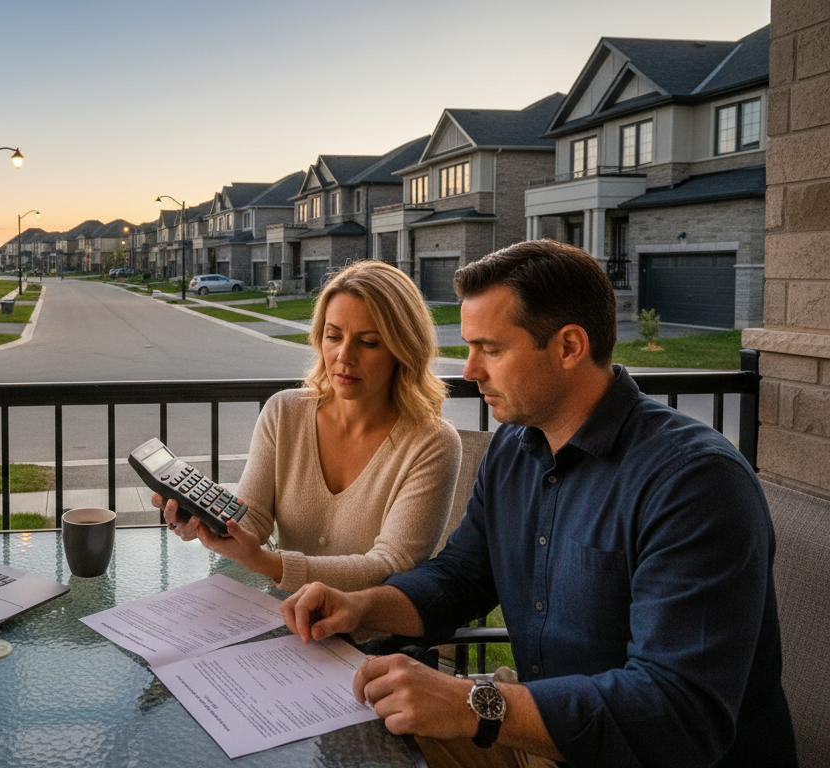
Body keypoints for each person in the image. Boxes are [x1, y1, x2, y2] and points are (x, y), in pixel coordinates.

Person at [280, 240, 796, 767]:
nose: (471, 370)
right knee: (342, 741)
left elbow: (678, 715)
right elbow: (463, 575)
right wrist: (362, 605)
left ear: (569, 346)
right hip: (539, 735)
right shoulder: (516, 446)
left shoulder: (694, 484)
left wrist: (472, 705)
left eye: (491, 349)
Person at [156, 260, 461, 593]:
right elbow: (253, 519)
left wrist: (266, 562)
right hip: (281, 623)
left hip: (373, 638)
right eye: (333, 336)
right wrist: (207, 520)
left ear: (404, 349)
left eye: (369, 342)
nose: (344, 356)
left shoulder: (433, 442)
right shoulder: (283, 412)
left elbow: (390, 566)